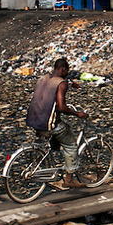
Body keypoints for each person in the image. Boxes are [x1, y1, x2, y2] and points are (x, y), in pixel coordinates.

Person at [25, 58, 88, 187]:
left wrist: (70, 84)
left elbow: (52, 87)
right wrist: (77, 114)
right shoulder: (62, 83)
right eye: (67, 70)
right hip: (49, 123)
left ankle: (47, 163)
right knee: (71, 145)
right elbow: (61, 107)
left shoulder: (43, 78)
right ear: (62, 69)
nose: (67, 73)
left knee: (53, 141)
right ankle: (69, 180)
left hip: (35, 120)